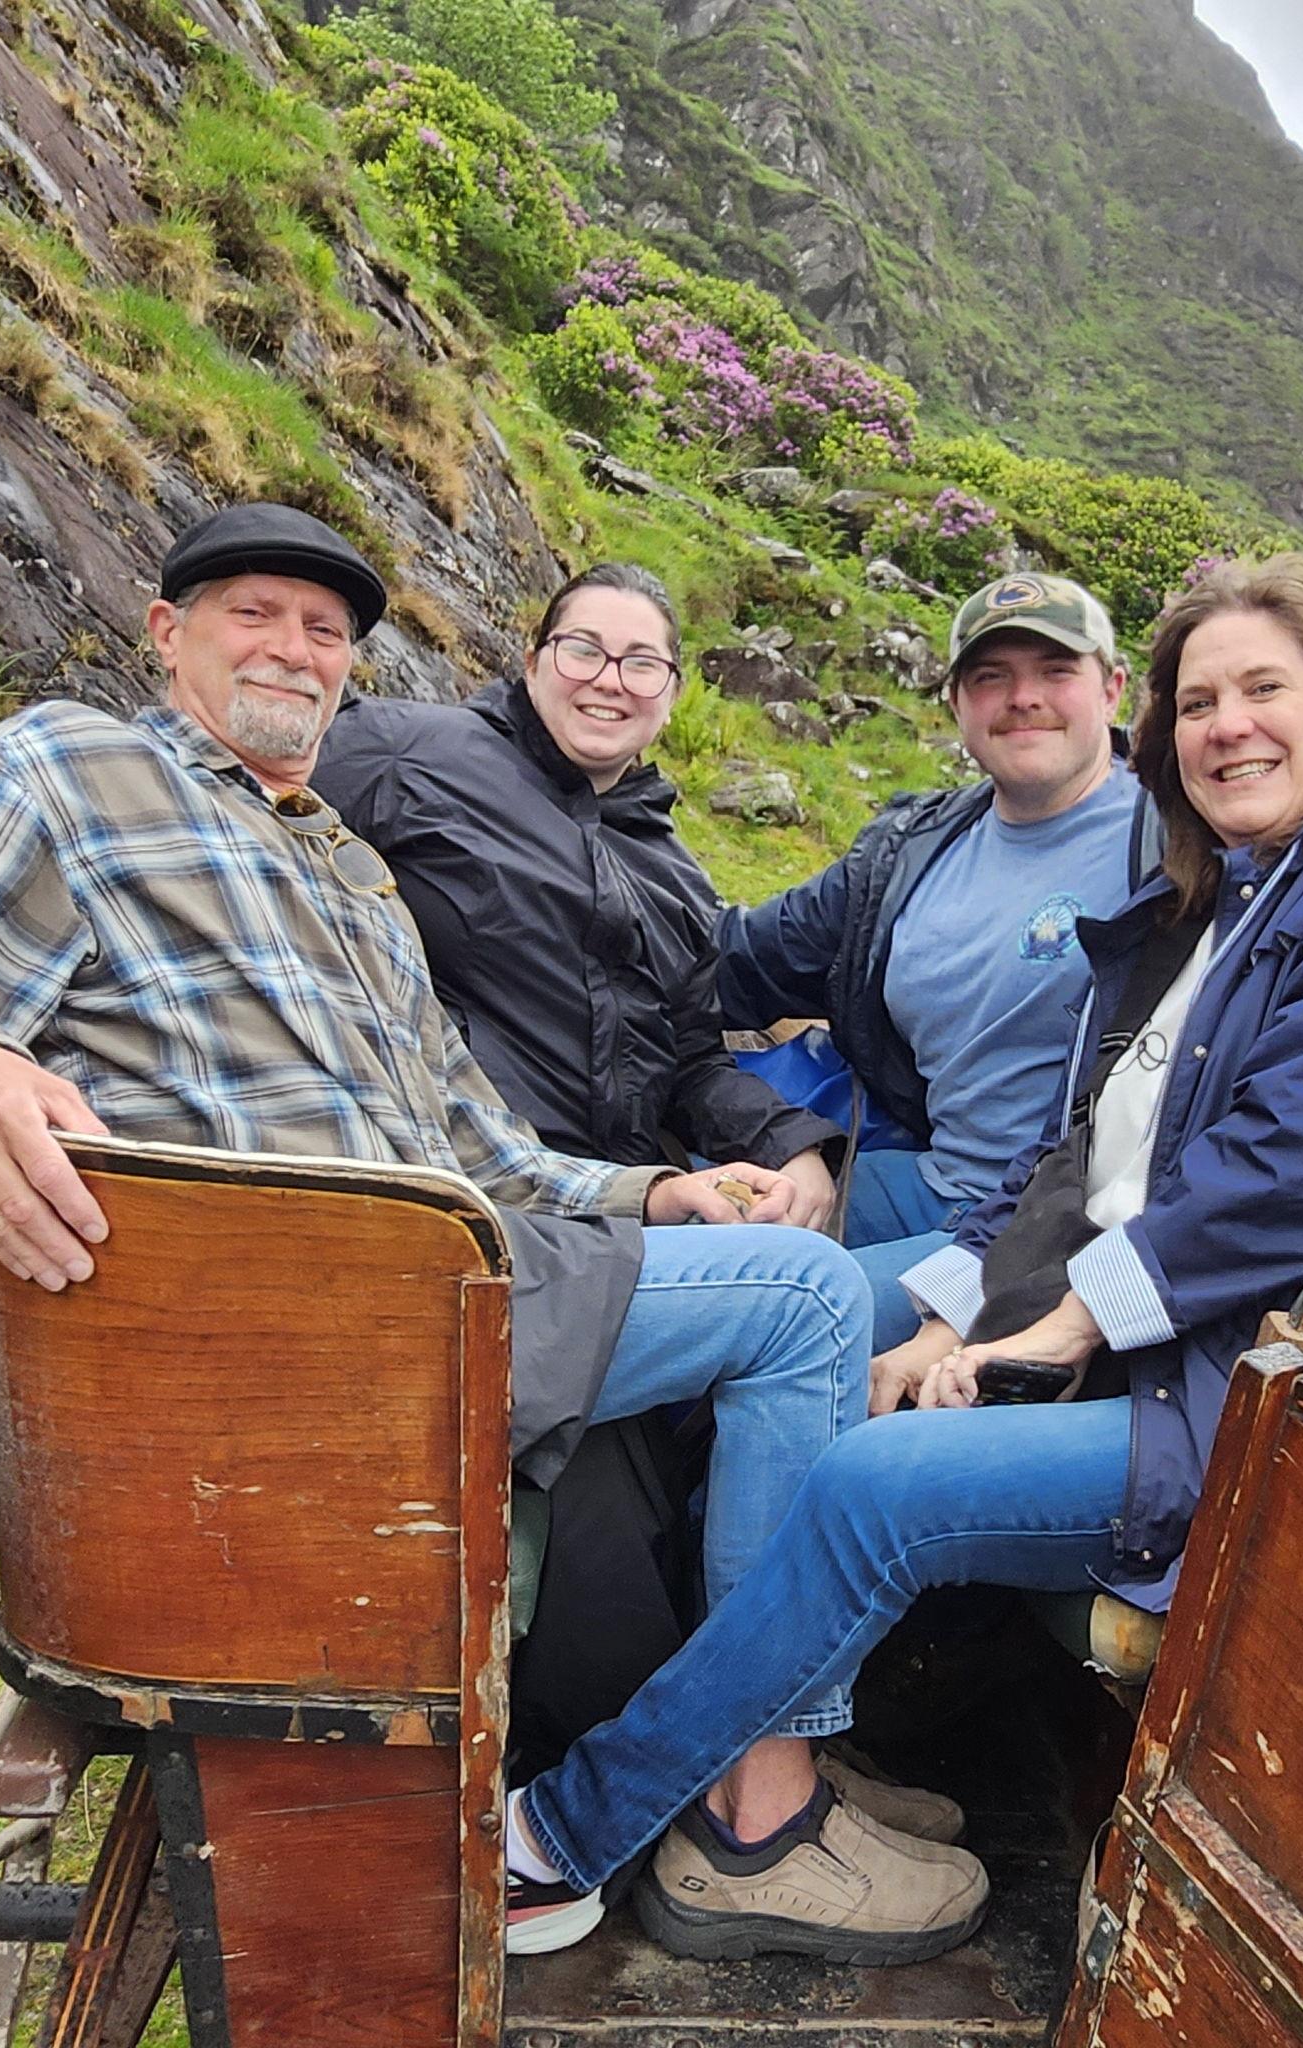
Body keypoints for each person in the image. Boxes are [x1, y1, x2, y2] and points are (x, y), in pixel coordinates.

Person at [0, 503, 958, 1959]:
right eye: (252, 612)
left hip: (445, 1261)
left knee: (786, 1275)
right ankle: (752, 1812)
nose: (294, 647)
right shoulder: (65, 767)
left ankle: (719, 1745)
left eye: (325, 630)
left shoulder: (349, 874)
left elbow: (477, 1142)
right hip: (289, 1315)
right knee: (817, 1300)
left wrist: (655, 1189)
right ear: (166, 633)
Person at [502, 553, 1303, 1965]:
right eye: (1202, 704)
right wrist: (957, 1315)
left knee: (865, 1486)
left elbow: (1302, 1169)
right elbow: (1077, 1159)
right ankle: (760, 1782)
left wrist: (1043, 1337)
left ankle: (573, 1830)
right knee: (815, 1368)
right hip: (1192, 1357)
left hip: (1301, 1411)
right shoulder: (1227, 899)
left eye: (1263, 688)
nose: (1229, 725)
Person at [715, 571, 1303, 1347]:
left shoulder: (1193, 834)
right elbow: (728, 968)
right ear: (954, 704)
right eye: (990, 677)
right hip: (953, 1182)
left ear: (1110, 692)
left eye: (1054, 671)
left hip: (1081, 1219)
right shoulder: (907, 850)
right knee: (711, 1260)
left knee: (786, 1329)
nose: (1022, 698)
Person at [310, 561, 847, 1783]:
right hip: (478, 1197)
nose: (609, 678)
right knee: (601, 1572)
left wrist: (788, 1140)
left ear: (670, 694)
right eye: (583, 649)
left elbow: (692, 1064)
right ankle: (691, 1785)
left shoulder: (668, 865)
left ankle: (712, 1756)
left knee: (667, 1496)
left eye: (639, 661)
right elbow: (237, 802)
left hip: (618, 1210)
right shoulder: (408, 750)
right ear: (535, 654)